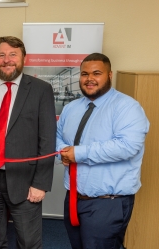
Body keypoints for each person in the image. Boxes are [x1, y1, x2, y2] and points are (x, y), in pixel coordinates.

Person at [0, 36, 57, 249]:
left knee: (28, 242)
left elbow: (47, 139)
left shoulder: (40, 90)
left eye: (13, 54)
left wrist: (40, 184)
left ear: (24, 58)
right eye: (1, 55)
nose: (7, 60)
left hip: (25, 182)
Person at [56, 53, 150, 249]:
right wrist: (62, 152)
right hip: (73, 197)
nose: (89, 79)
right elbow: (56, 136)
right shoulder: (71, 108)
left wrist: (78, 153)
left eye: (96, 73)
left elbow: (127, 146)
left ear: (109, 75)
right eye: (84, 74)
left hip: (107, 204)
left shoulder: (127, 107)